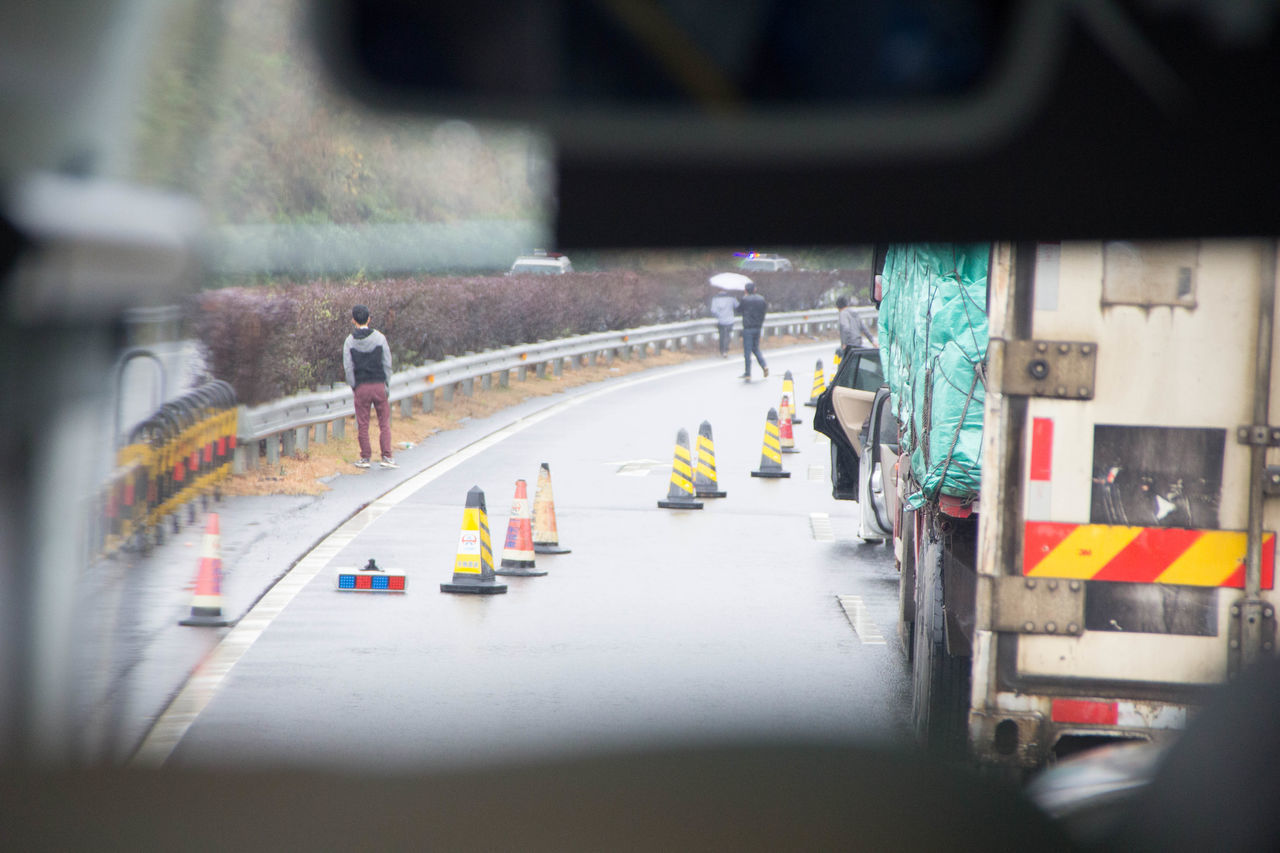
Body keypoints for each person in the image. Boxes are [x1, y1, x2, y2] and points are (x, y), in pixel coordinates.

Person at [343, 304, 396, 469]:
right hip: (379, 384)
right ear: (369, 319)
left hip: (362, 387)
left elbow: (348, 367)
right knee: (384, 423)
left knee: (363, 424)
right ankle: (386, 456)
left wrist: (354, 386)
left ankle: (365, 458)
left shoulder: (349, 342)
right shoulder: (380, 338)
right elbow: (387, 363)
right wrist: (386, 383)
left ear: (353, 320)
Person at [738, 281, 768, 380]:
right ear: (754, 289)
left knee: (747, 351)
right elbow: (764, 311)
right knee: (756, 348)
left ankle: (748, 373)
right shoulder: (761, 299)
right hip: (758, 327)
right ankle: (764, 365)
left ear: (746, 290)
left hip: (747, 328)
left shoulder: (745, 299)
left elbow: (739, 310)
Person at [709, 289, 738, 357]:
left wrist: (718, 315)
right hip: (729, 319)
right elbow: (737, 306)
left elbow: (713, 310)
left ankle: (722, 350)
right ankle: (726, 350)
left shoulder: (715, 299)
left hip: (720, 320)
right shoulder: (731, 298)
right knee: (727, 335)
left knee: (722, 335)